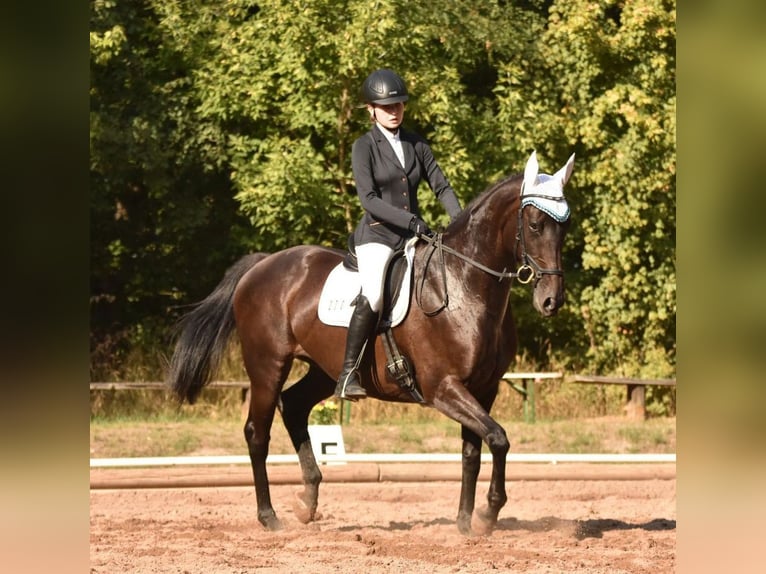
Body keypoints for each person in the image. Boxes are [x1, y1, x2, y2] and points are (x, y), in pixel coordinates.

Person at [335, 68, 463, 401]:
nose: (394, 111)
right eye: (387, 106)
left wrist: (461, 223)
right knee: (375, 295)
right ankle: (348, 373)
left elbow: (441, 186)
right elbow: (369, 200)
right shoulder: (364, 147)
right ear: (371, 109)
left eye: (399, 105)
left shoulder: (416, 142)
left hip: (412, 236)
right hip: (378, 237)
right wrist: (410, 222)